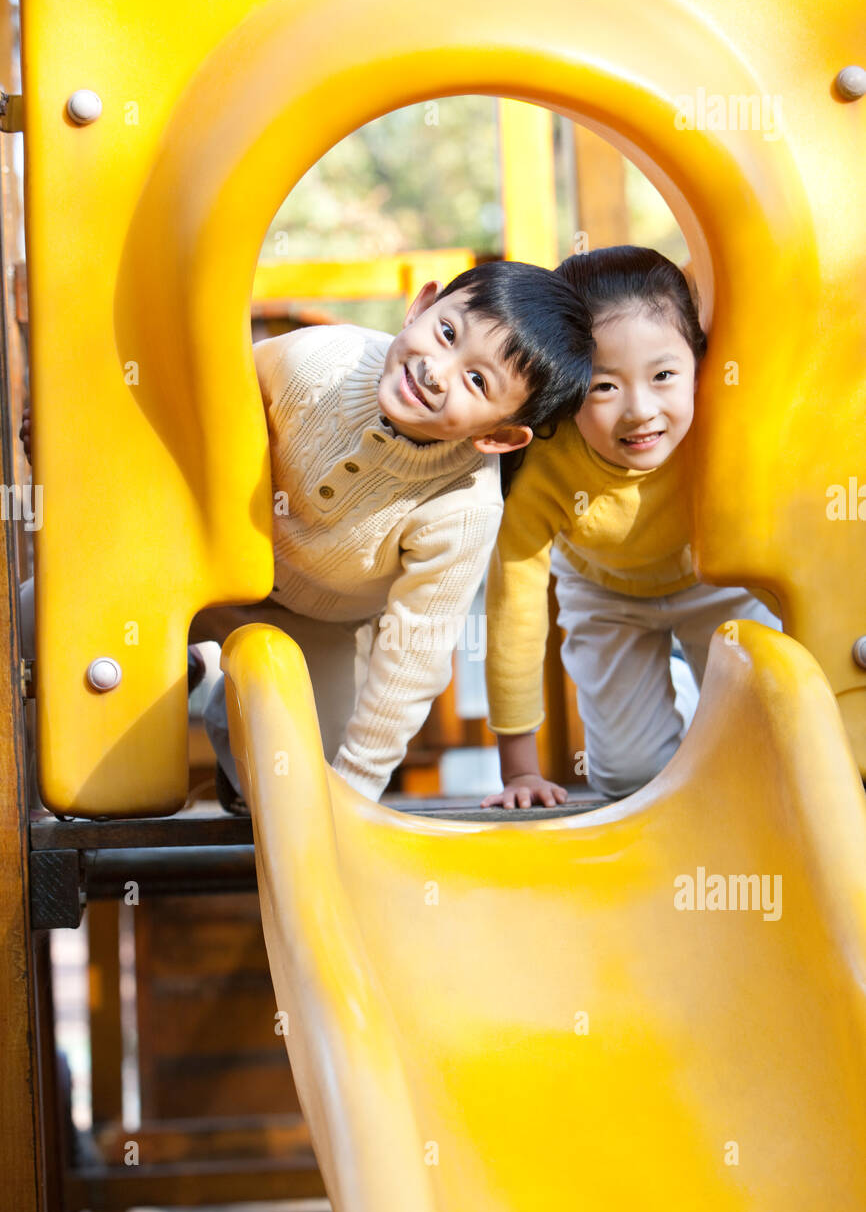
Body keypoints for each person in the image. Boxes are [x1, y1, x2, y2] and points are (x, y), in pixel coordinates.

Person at [192, 260, 593, 808]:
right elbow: (199, 396)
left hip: (317, 625)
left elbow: (414, 653)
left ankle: (225, 691)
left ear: (498, 436)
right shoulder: (316, 363)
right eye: (447, 333)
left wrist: (355, 789)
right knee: (53, 620)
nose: (437, 371)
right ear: (421, 307)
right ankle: (184, 660)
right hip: (201, 564)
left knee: (303, 783)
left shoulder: (464, 508)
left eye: (477, 381)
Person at [481, 245, 782, 811]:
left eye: (664, 374)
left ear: (699, 362)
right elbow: (515, 609)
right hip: (606, 593)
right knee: (629, 777)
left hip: (716, 582)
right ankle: (680, 701)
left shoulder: (728, 416)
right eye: (604, 387)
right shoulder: (543, 463)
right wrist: (519, 770)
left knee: (775, 745)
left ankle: (698, 698)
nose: (641, 410)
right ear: (569, 386)